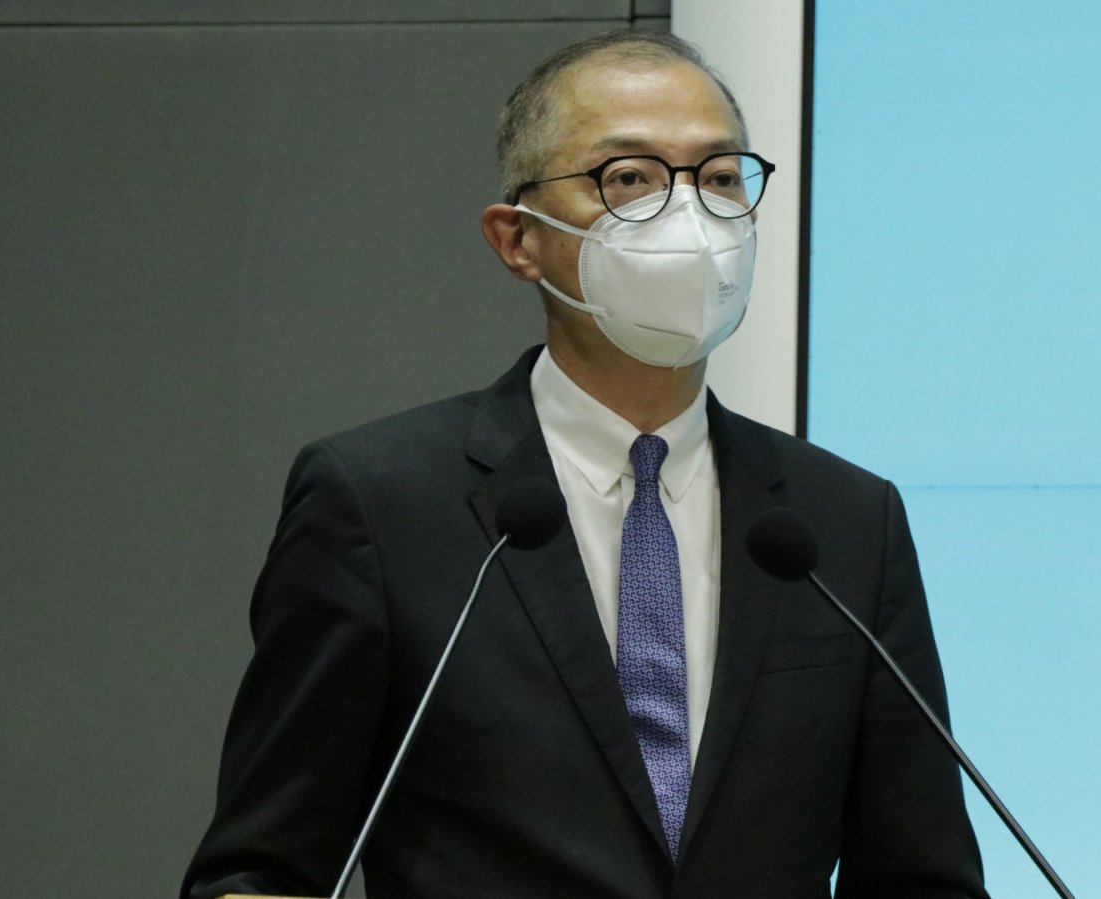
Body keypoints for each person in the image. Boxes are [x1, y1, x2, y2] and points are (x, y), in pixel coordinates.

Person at [183, 30, 987, 899]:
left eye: (720, 178)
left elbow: (921, 873)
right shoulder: (382, 504)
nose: (689, 217)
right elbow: (258, 872)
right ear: (516, 239)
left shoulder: (841, 522)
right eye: (629, 178)